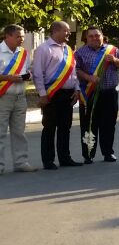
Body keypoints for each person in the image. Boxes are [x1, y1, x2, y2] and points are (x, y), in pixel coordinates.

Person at [32, 20, 80, 170]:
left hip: (68, 94)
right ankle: (48, 160)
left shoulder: (68, 49)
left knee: (65, 127)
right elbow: (38, 73)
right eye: (66, 30)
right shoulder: (43, 49)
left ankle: (65, 158)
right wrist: (42, 94)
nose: (69, 33)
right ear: (56, 31)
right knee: (49, 127)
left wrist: (77, 89)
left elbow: (73, 72)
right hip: (52, 94)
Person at [74, 26, 119, 163]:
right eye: (91, 36)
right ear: (86, 38)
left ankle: (108, 152)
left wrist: (115, 60)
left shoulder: (113, 50)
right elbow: (76, 70)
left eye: (97, 35)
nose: (94, 38)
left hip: (109, 93)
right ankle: (88, 154)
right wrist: (88, 77)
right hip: (88, 93)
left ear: (102, 36)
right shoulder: (80, 52)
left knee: (109, 124)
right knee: (88, 124)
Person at [0, 24, 38, 175]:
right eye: (18, 36)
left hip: (20, 97)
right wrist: (8, 78)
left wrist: (27, 76)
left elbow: (27, 70)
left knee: (19, 132)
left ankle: (21, 162)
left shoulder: (23, 53)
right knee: (0, 132)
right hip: (3, 97)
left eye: (22, 36)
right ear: (7, 36)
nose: (21, 39)